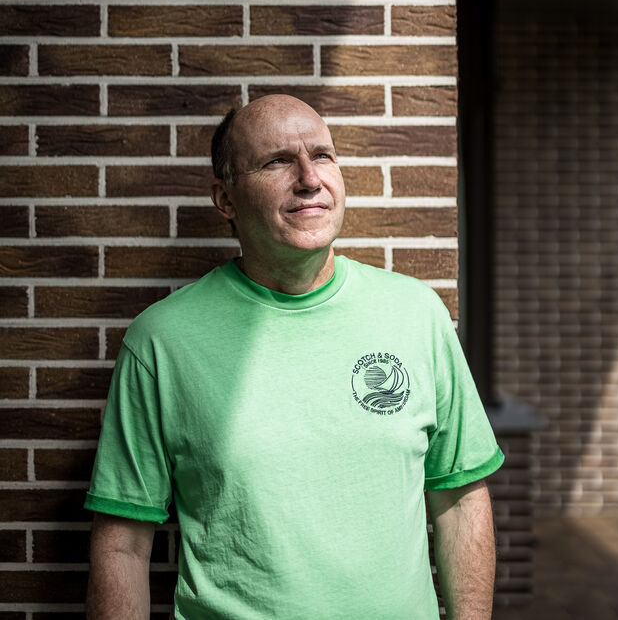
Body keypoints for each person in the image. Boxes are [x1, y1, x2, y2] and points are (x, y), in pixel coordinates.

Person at [85, 93, 504, 620]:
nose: (310, 178)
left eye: (322, 155)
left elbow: (461, 501)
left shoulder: (416, 315)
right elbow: (122, 545)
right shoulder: (162, 341)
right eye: (277, 161)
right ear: (225, 199)